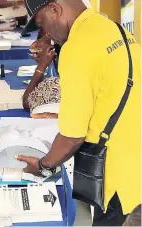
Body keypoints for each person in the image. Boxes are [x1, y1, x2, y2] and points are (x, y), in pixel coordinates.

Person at [17, 0, 141, 225]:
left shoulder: (77, 47)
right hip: (135, 159)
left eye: (43, 23)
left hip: (114, 174)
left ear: (55, 9)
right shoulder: (112, 28)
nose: (46, 34)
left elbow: (72, 135)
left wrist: (44, 165)